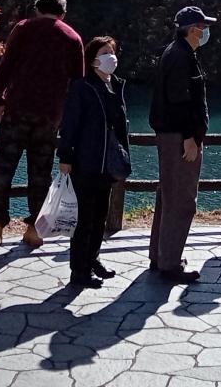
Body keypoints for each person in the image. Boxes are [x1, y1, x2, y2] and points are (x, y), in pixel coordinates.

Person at [0, 0, 85, 248]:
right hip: (50, 116)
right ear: (63, 13)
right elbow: (78, 85)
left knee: (3, 168)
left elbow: (6, 65)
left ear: (38, 9)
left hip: (17, 110)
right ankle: (34, 229)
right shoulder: (73, 38)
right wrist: (70, 118)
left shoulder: (23, 28)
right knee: (40, 173)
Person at [148, 5, 215, 284]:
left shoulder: (180, 53)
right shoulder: (180, 56)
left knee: (169, 195)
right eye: (203, 26)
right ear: (192, 29)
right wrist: (190, 137)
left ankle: (161, 255)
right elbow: (179, 101)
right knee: (182, 200)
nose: (206, 31)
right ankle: (170, 264)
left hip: (174, 135)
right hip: (179, 137)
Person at [58, 36, 132, 288]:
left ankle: (93, 259)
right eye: (105, 52)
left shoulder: (115, 86)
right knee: (84, 220)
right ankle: (79, 270)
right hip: (85, 163)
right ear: (92, 60)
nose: (111, 57)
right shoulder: (82, 87)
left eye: (113, 51)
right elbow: (70, 124)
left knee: (100, 217)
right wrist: (65, 156)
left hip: (107, 164)